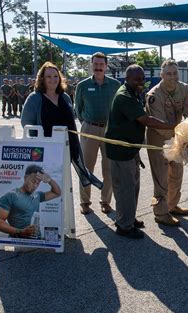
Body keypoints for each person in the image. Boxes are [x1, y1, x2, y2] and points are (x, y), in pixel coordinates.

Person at [105, 65, 176, 239]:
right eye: (137, 79)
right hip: (121, 152)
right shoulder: (125, 96)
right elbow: (146, 120)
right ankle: (124, 226)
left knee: (132, 187)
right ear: (127, 79)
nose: (141, 82)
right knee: (125, 189)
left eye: (143, 78)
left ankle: (128, 218)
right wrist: (172, 125)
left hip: (130, 150)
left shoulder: (133, 93)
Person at [21, 61, 103, 192]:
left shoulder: (65, 97)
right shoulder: (35, 98)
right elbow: (26, 123)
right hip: (45, 150)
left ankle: (64, 210)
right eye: (48, 76)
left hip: (66, 148)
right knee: (46, 184)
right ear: (42, 79)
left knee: (62, 183)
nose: (53, 79)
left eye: (55, 76)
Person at [145, 59, 188, 227]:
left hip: (177, 134)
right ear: (162, 75)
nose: (172, 77)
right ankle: (160, 212)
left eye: (175, 73)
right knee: (161, 175)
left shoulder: (185, 89)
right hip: (158, 135)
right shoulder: (154, 95)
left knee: (176, 171)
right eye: (168, 74)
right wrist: (180, 136)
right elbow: (159, 124)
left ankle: (172, 205)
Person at [75, 52, 121, 215]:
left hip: (110, 130)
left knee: (108, 167)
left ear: (106, 66)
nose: (98, 67)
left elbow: (119, 107)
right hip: (90, 129)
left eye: (101, 64)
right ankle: (85, 202)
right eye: (95, 64)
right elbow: (78, 109)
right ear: (91, 65)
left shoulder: (115, 85)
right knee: (86, 167)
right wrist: (87, 125)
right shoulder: (82, 85)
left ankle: (106, 201)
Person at [0, 165, 61, 238]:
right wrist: (20, 232)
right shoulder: (11, 196)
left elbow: (57, 193)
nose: (35, 185)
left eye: (37, 183)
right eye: (33, 181)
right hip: (19, 240)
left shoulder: (37, 195)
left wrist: (50, 180)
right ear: (25, 178)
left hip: (37, 240)